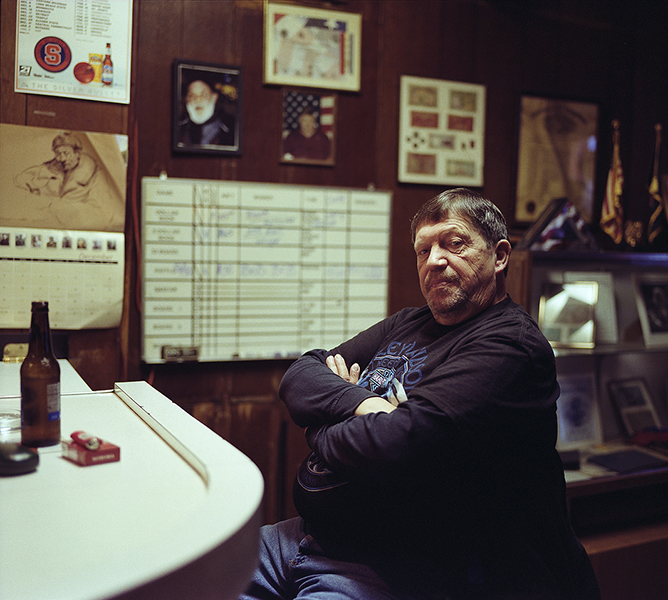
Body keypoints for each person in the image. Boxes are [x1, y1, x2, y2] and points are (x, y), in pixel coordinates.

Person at [243, 188, 600, 600]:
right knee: (195, 571)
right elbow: (300, 375)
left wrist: (318, 427)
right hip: (308, 539)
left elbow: (397, 443)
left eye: (454, 243)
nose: (434, 260)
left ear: (500, 256)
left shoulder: (510, 345)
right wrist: (364, 404)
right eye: (423, 250)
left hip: (392, 567)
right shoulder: (407, 323)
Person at [176, 78, 236, 148]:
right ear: (186, 99)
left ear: (214, 97)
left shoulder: (230, 130)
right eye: (192, 95)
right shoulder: (178, 127)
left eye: (203, 95)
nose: (198, 100)